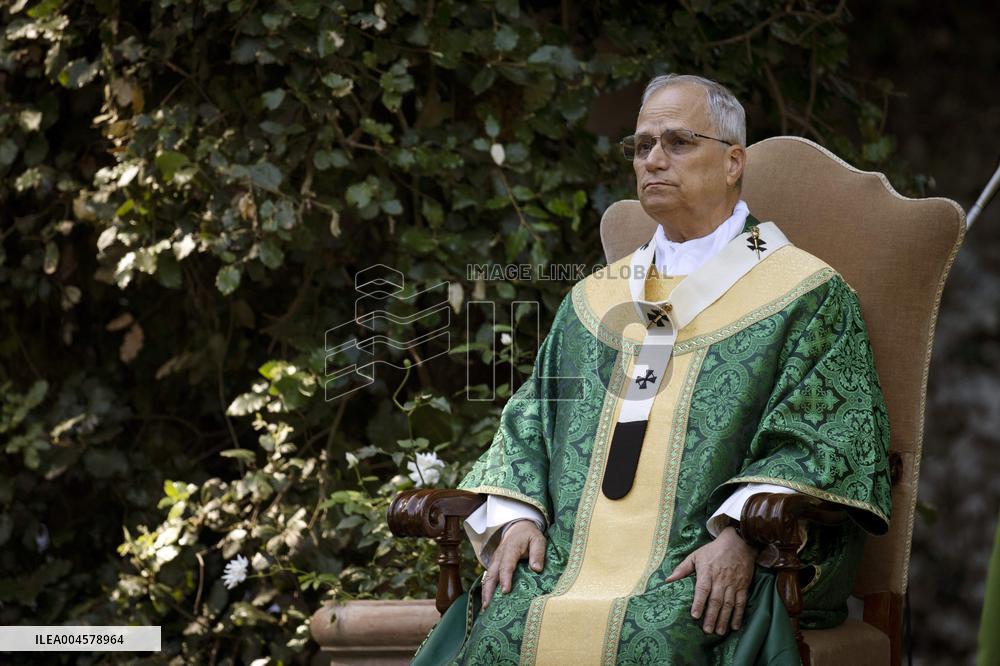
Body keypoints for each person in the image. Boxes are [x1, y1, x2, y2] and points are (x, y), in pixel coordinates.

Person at [412, 73, 891, 665]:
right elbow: (529, 428)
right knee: (504, 626)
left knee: (655, 642)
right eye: (641, 146)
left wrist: (742, 537)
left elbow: (825, 441)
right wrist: (517, 519)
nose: (653, 160)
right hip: (567, 564)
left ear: (733, 161)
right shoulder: (592, 304)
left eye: (678, 142)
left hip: (705, 562)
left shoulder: (806, 295)